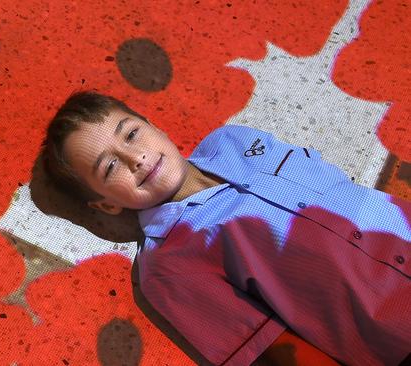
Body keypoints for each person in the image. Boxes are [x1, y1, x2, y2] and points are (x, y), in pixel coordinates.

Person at [40, 90, 411, 366]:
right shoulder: (167, 267)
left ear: (153, 125)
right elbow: (275, 352)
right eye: (109, 168)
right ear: (107, 203)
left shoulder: (234, 139)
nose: (134, 158)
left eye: (132, 134)